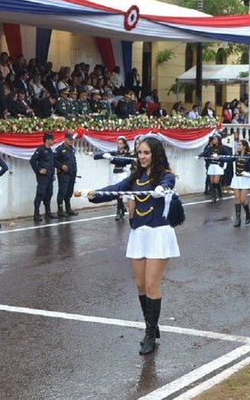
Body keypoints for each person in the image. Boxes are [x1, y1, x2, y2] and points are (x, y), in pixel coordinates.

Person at [80, 137, 179, 355]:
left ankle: (150, 333)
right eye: (139, 153)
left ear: (155, 154)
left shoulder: (166, 175)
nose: (142, 157)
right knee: (140, 284)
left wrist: (162, 189)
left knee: (152, 284)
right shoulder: (135, 176)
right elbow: (116, 189)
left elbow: (169, 184)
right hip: (139, 233)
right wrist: (94, 194)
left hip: (158, 234)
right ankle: (152, 324)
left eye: (146, 153)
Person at [93, 136, 133, 220]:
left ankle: (119, 211)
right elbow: (104, 155)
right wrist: (94, 155)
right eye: (118, 143)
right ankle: (122, 208)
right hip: (115, 173)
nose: (119, 145)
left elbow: (122, 161)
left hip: (122, 173)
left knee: (120, 193)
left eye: (120, 143)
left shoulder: (127, 153)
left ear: (124, 144)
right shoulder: (116, 152)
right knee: (116, 193)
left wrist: (112, 159)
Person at [227, 140, 250, 227]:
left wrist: (249, 173)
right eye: (238, 145)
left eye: (240, 145)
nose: (238, 146)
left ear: (244, 146)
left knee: (243, 200)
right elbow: (228, 159)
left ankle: (248, 214)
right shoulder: (236, 155)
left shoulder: (249, 156)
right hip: (237, 178)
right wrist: (217, 157)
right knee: (237, 198)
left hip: (244, 179)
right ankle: (238, 219)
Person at [30, 132, 58, 222]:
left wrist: (53, 174)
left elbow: (51, 163)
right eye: (52, 139)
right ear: (47, 140)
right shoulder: (40, 150)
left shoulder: (50, 150)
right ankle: (36, 213)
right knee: (40, 194)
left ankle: (48, 212)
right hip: (42, 177)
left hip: (49, 176)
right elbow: (32, 161)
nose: (53, 141)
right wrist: (39, 170)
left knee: (49, 193)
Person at [197, 134, 230, 203]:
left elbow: (228, 155)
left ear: (218, 140)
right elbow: (205, 152)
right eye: (213, 139)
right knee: (211, 182)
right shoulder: (210, 147)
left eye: (215, 139)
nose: (213, 140)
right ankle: (213, 197)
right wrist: (199, 156)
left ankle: (219, 193)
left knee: (216, 182)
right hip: (212, 165)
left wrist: (219, 157)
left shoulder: (222, 147)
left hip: (218, 166)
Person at [54, 132, 78, 217]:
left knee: (69, 192)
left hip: (72, 174)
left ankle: (68, 209)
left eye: (72, 140)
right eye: (69, 140)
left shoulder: (72, 149)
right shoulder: (60, 149)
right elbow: (54, 160)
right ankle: (60, 210)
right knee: (62, 192)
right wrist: (61, 166)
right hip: (63, 174)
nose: (71, 141)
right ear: (65, 139)